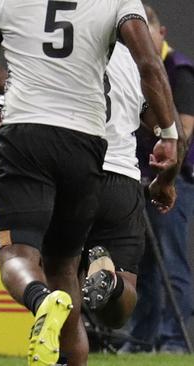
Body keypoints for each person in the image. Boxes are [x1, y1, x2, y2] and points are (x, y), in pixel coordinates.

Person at [0, 0, 180, 364]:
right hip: (104, 162)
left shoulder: (35, 56)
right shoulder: (122, 32)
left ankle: (41, 299)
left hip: (29, 138)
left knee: (28, 261)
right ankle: (108, 287)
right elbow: (151, 80)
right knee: (102, 292)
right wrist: (168, 150)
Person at [123, 4, 194, 354]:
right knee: (143, 262)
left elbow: (184, 130)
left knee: (172, 260)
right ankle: (140, 339)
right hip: (139, 176)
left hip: (173, 178)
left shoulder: (179, 70)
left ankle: (174, 340)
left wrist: (166, 172)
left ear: (160, 34)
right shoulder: (131, 68)